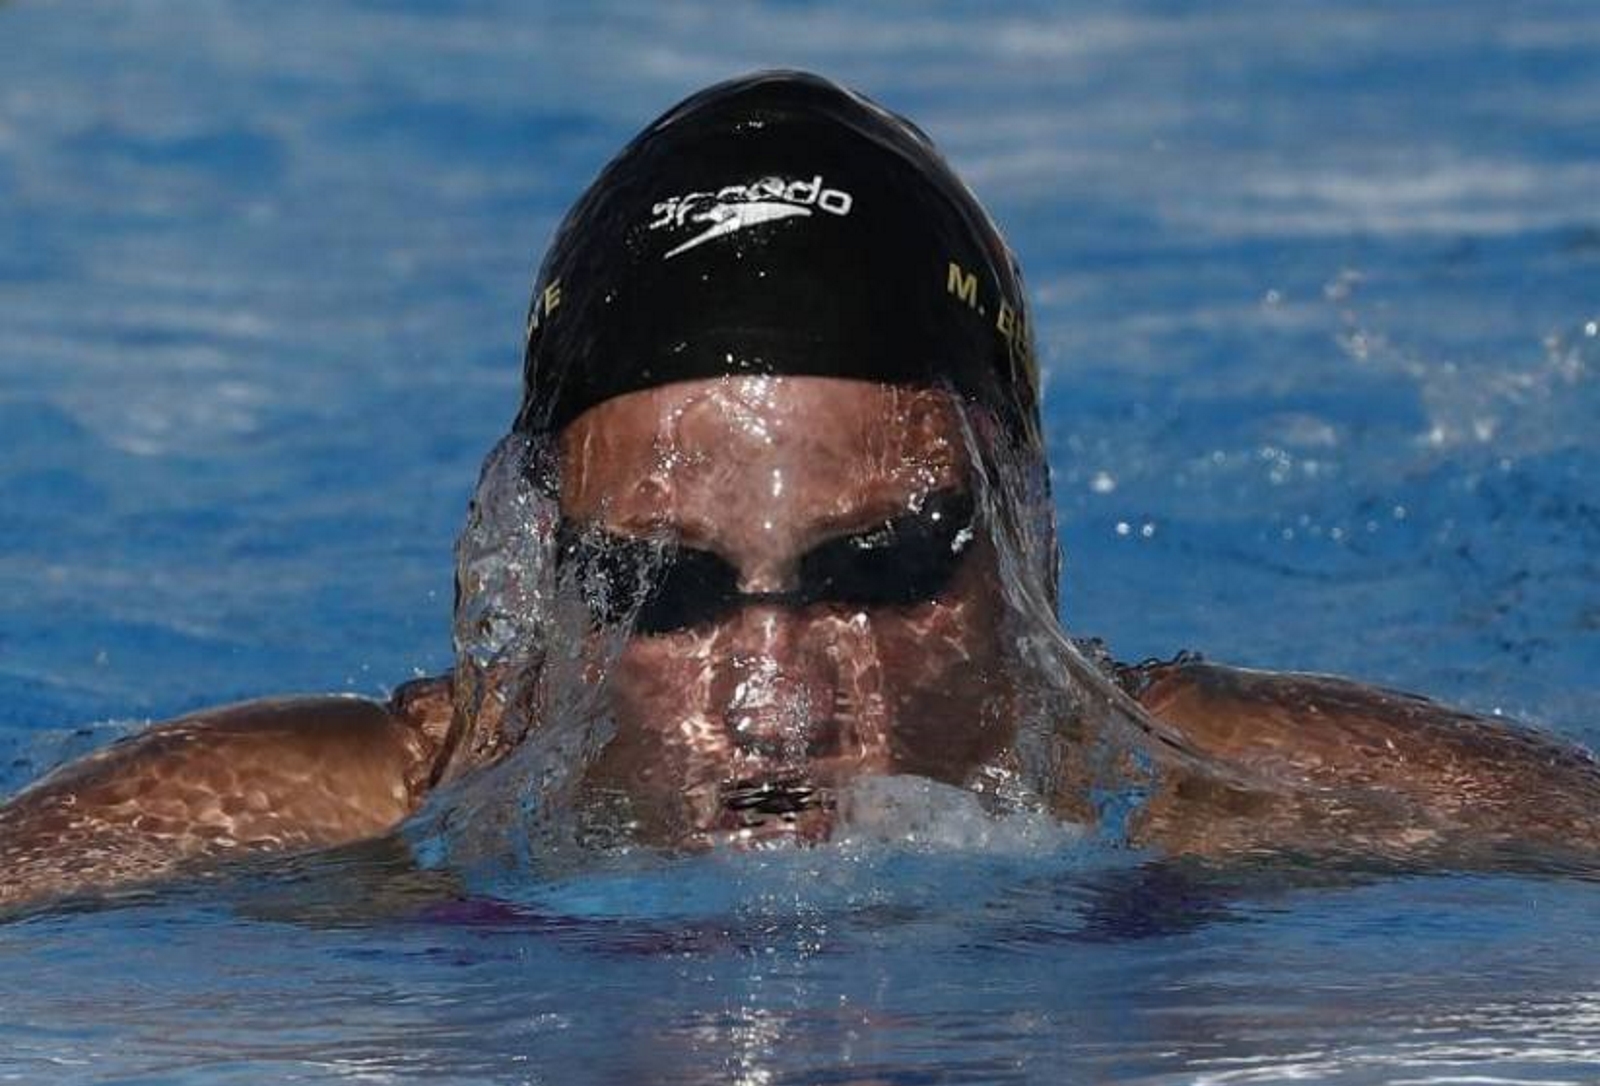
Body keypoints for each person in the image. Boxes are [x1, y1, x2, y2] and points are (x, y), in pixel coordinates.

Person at [3, 71, 1597, 908]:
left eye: (885, 567)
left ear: (1022, 542)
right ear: (540, 572)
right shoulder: (375, 819)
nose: (776, 705)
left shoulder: (1231, 795)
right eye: (670, 589)